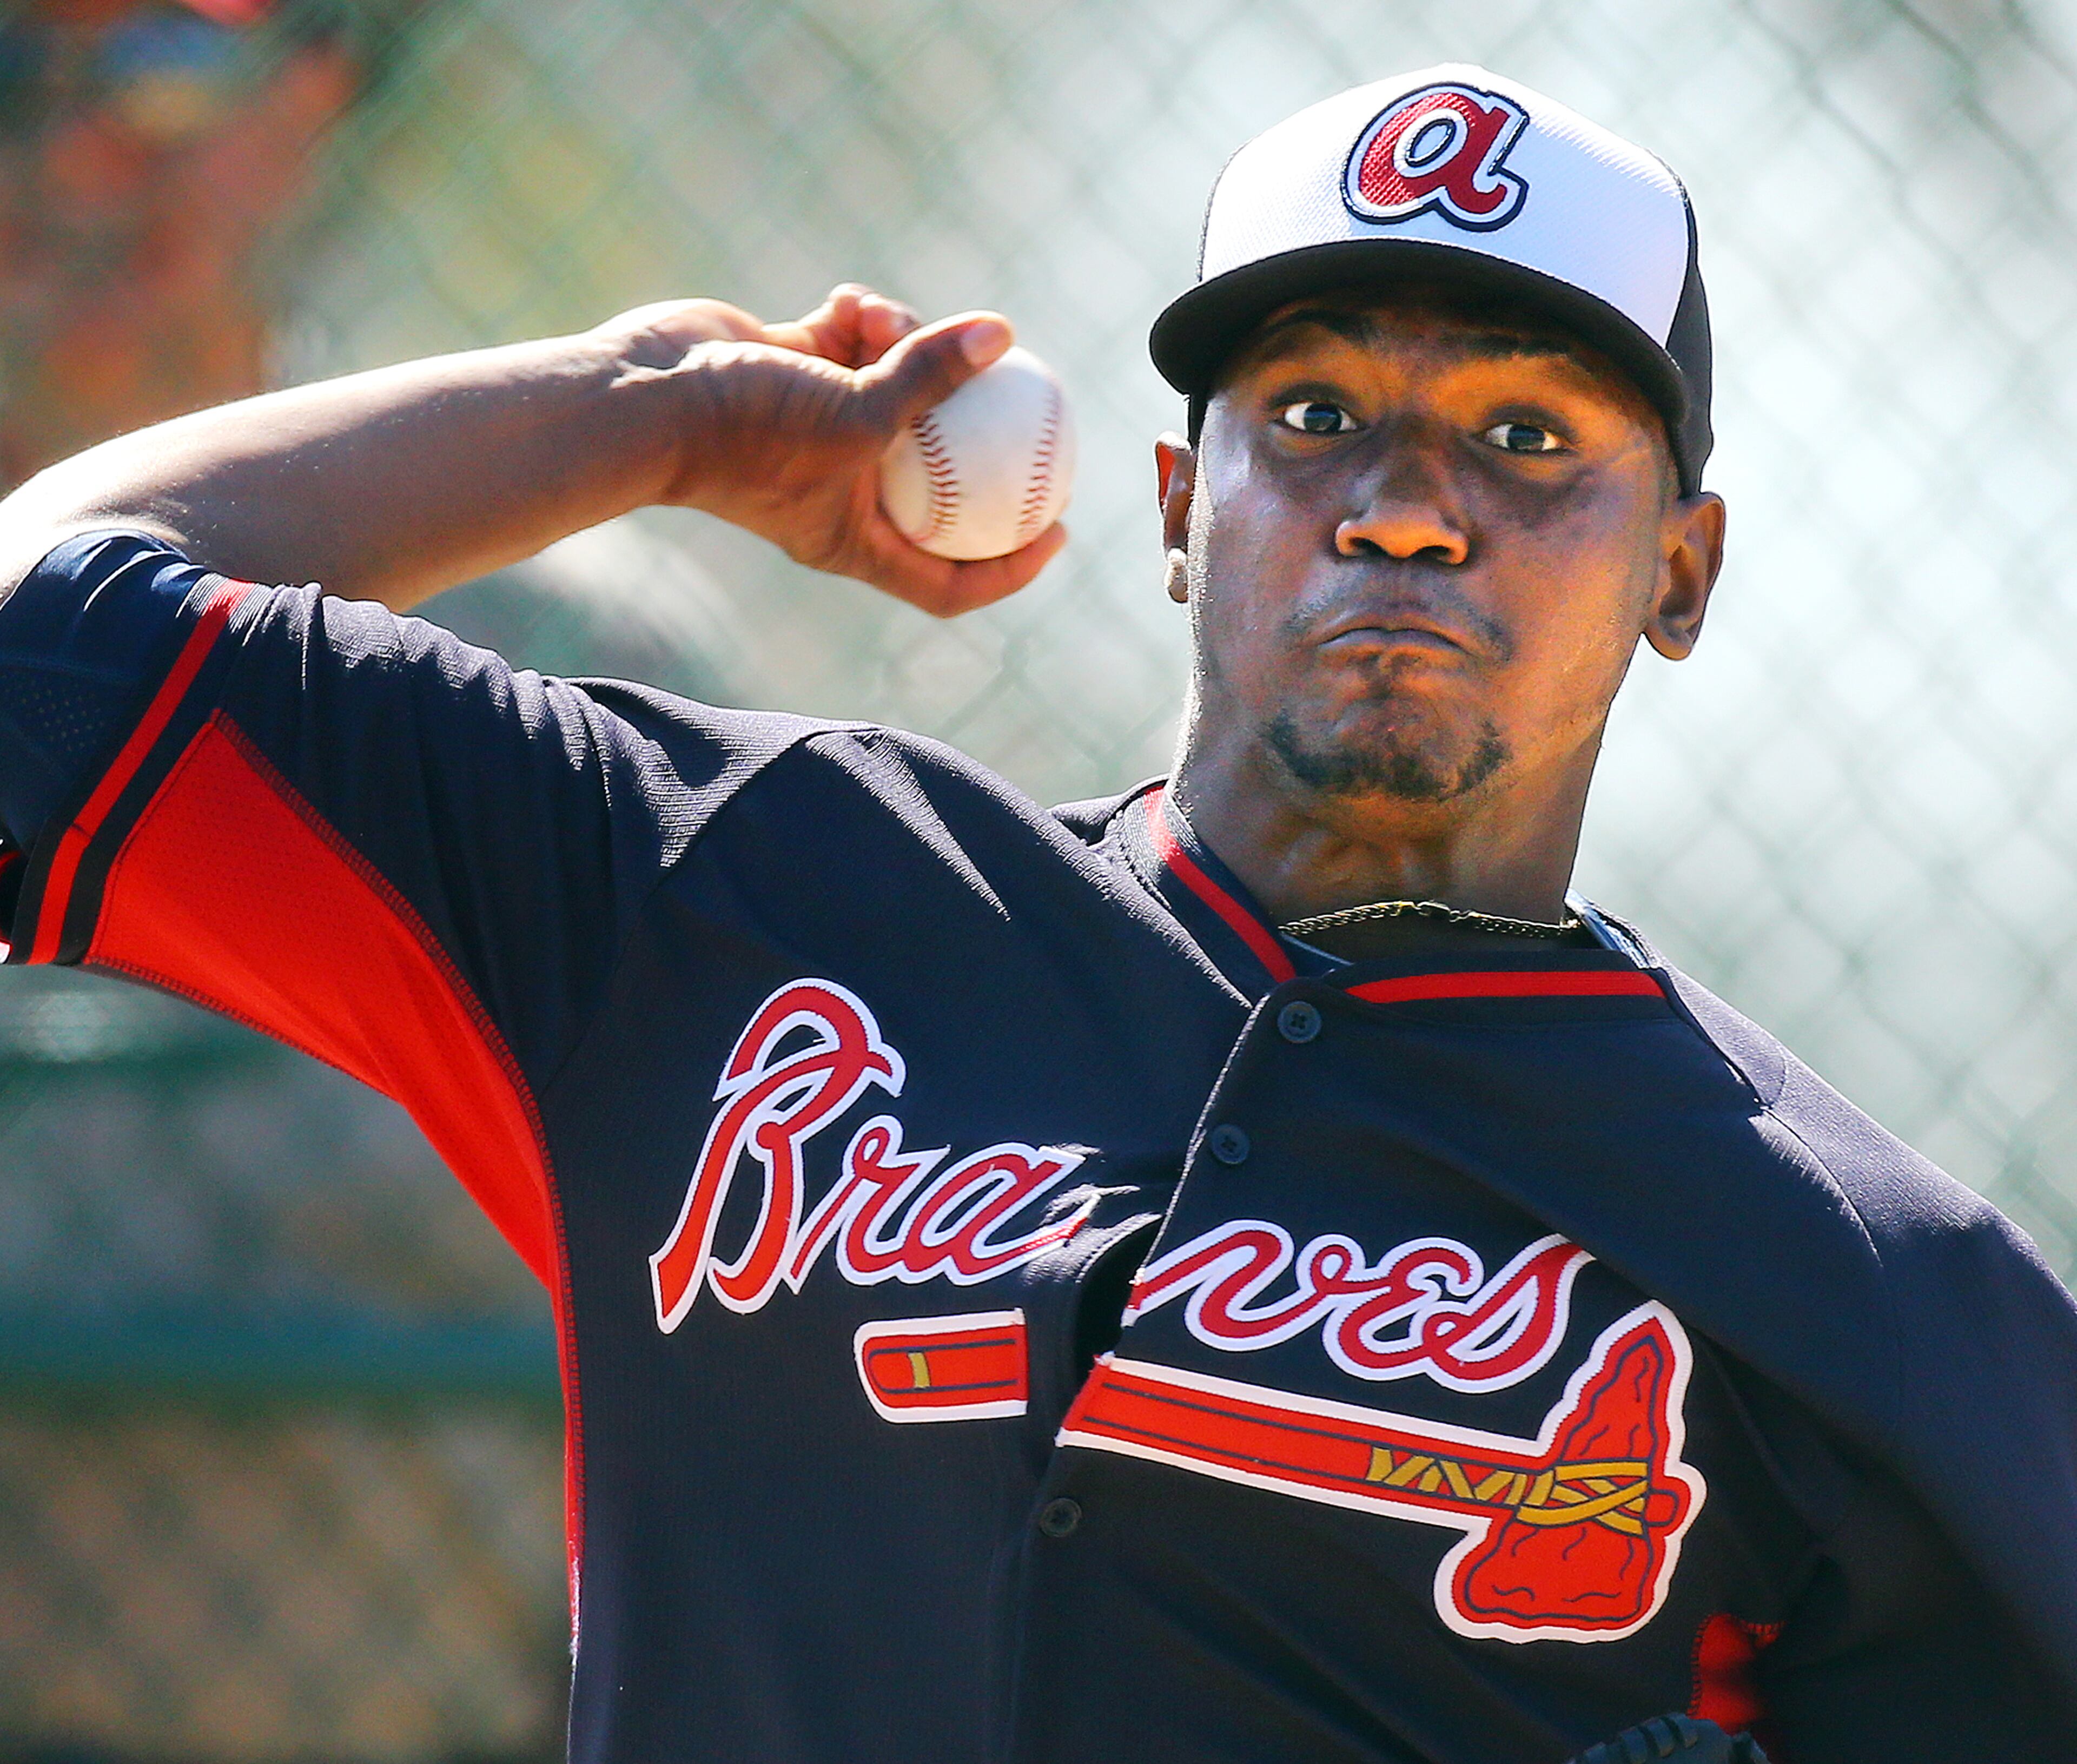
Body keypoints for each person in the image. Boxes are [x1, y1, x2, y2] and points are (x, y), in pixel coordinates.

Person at [0, 62, 2072, 1764]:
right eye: (1316, 413)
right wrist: (663, 409)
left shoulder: (1858, 1276)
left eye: (1529, 438)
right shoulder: (729, 896)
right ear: (1184, 513)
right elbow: (39, 637)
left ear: (1682, 577)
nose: (1409, 503)